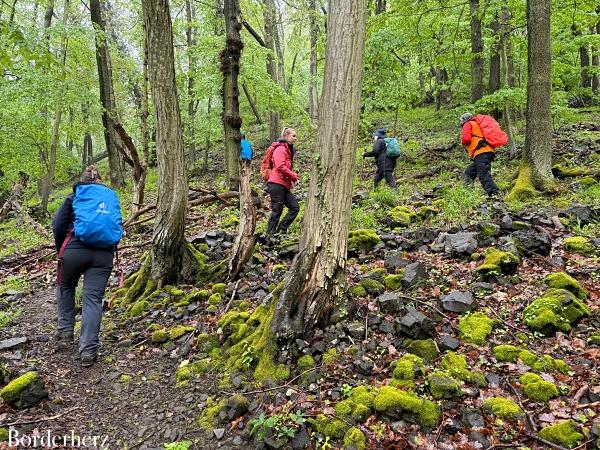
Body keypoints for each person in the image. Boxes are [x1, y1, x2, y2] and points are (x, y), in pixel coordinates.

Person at [52, 166, 123, 367]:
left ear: (81, 182)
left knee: (65, 286)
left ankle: (66, 330)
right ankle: (88, 351)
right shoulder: (109, 197)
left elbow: (58, 225)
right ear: (100, 180)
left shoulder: (73, 197)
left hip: (74, 250)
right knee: (92, 299)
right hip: (103, 255)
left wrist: (62, 249)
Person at [265, 127, 300, 236]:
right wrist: (294, 176)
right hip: (276, 184)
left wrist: (292, 178)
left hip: (283, 185)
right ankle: (269, 236)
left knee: (294, 207)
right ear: (286, 136)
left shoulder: (288, 150)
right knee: (277, 209)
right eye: (293, 136)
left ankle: (281, 230)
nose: (295, 138)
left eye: (296, 136)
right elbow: (280, 166)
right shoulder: (280, 148)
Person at [460, 112, 500, 198]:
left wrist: (463, 143)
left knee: (483, 175)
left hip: (481, 152)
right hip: (487, 150)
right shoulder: (477, 124)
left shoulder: (468, 124)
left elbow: (466, 139)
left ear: (464, 120)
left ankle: (495, 194)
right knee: (469, 172)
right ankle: (467, 193)